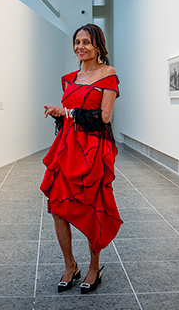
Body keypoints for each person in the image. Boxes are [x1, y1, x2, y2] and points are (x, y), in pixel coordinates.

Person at [41, 23, 122, 295]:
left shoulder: (108, 74)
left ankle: (94, 267)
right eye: (77, 42)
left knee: (92, 207)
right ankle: (70, 265)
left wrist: (70, 113)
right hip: (68, 149)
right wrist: (58, 111)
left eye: (86, 42)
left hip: (94, 150)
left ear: (97, 45)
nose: (81, 47)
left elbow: (104, 117)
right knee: (57, 206)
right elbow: (69, 113)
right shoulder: (69, 78)